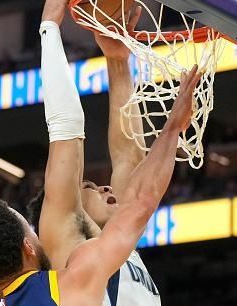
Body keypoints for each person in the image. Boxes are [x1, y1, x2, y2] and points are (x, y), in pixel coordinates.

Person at [27, 2, 159, 306]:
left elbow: (129, 157)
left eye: (94, 186)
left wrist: (117, 60)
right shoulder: (68, 245)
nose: (106, 187)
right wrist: (49, 27)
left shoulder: (119, 247)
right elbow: (65, 134)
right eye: (90, 187)